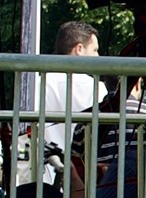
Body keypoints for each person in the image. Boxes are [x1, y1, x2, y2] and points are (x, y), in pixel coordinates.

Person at [40, 21, 101, 185]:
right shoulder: (98, 89)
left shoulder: (38, 84)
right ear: (79, 49)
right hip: (83, 180)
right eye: (94, 50)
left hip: (44, 177)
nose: (98, 57)